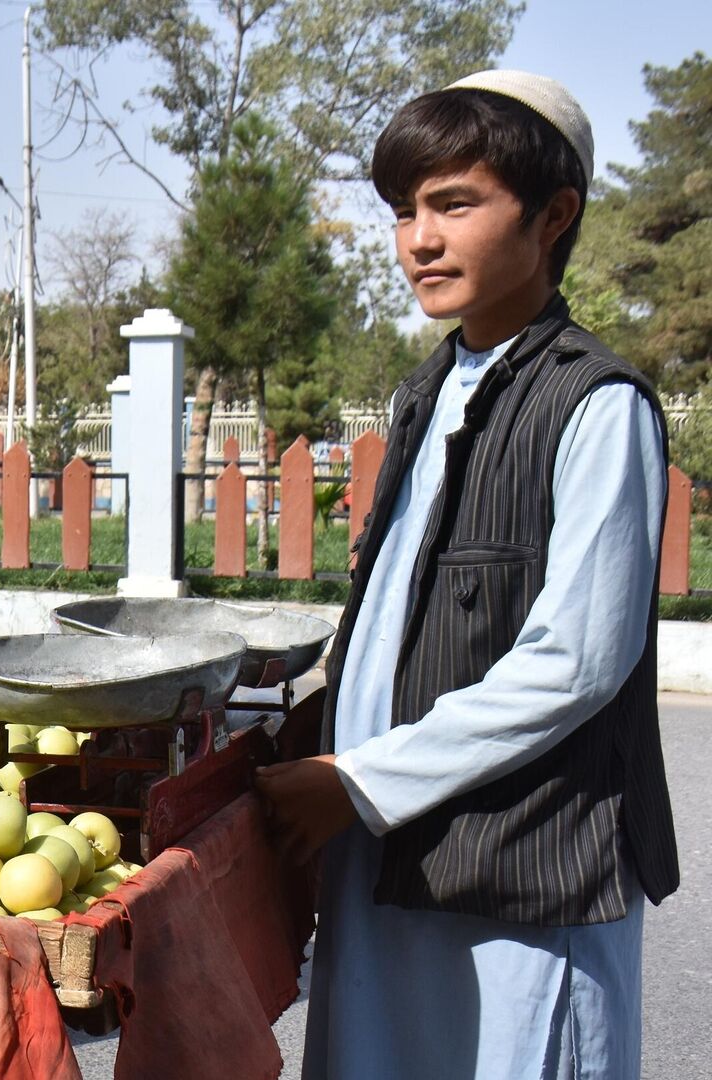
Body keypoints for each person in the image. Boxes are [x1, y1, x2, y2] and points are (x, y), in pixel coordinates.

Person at [254, 71, 679, 1080]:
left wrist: (359, 780)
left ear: (554, 215)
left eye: (454, 204)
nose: (419, 241)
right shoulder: (425, 392)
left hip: (521, 877)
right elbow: (403, 604)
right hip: (387, 855)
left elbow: (575, 662)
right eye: (404, 212)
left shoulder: (597, 405)